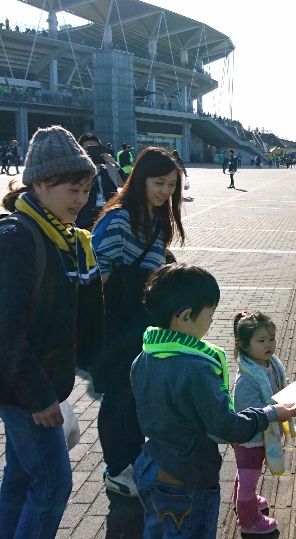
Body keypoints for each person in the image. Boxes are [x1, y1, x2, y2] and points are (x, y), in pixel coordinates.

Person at [0, 125, 98, 538]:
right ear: (41, 184)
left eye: (85, 190)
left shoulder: (62, 235)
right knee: (52, 482)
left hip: (34, 383)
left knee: (21, 474)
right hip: (23, 389)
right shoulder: (16, 237)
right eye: (73, 190)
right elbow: (4, 330)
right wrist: (39, 397)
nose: (82, 201)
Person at [131, 264, 296, 538]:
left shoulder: (146, 354)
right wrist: (271, 413)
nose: (212, 321)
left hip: (150, 464)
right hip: (187, 478)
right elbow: (227, 426)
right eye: (210, 314)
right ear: (186, 316)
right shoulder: (197, 369)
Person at [91, 147, 186, 498]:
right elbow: (96, 274)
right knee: (118, 396)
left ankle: (133, 459)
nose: (165, 192)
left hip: (141, 324)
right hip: (117, 326)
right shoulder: (118, 219)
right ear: (139, 179)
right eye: (158, 182)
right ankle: (117, 469)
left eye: (172, 185)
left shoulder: (157, 219)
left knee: (134, 395)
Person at [231, 310, 296, 534]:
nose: (269, 345)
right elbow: (253, 412)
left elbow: (281, 384)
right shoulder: (246, 379)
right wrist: (278, 412)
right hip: (250, 438)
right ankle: (248, 521)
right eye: (261, 340)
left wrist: (293, 397)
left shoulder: (270, 364)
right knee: (249, 477)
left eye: (271, 339)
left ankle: (243, 500)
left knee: (247, 473)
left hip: (259, 436)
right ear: (245, 346)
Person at [74, 133, 123, 229]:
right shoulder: (76, 174)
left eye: (95, 149)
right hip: (85, 223)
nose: (91, 153)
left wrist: (114, 164)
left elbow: (123, 185)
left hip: (108, 221)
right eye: (88, 150)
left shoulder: (109, 170)